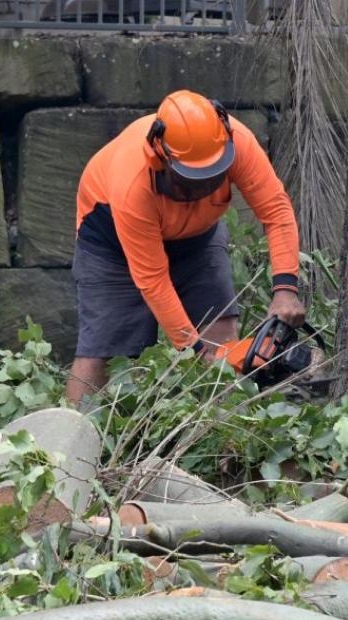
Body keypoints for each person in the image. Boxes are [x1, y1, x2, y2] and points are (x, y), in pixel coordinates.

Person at [66, 90, 306, 405]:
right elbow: (153, 278)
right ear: (160, 158)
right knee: (102, 351)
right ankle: (68, 441)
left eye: (214, 175)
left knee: (220, 335)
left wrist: (285, 289)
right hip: (113, 246)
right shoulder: (132, 184)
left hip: (197, 237)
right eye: (192, 179)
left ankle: (224, 437)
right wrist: (192, 349)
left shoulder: (236, 142)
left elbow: (275, 209)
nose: (205, 186)